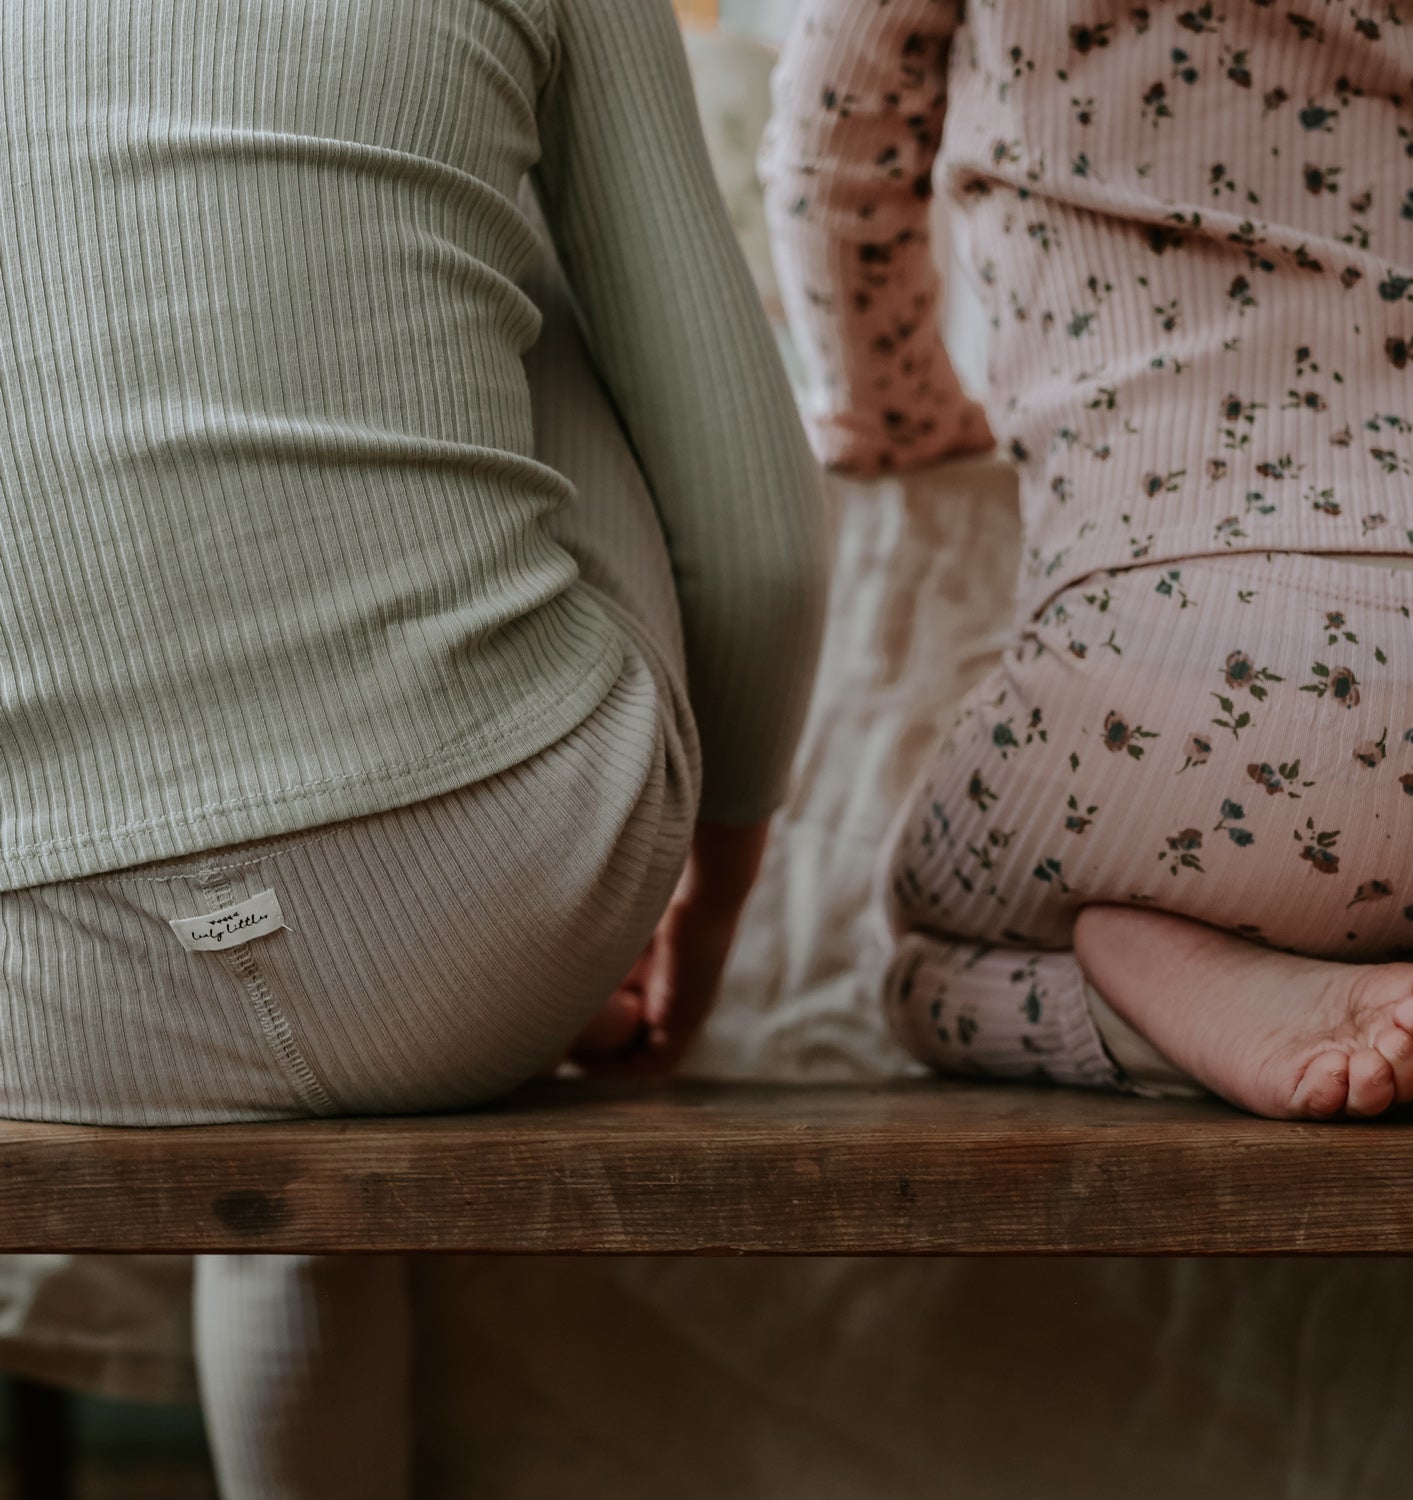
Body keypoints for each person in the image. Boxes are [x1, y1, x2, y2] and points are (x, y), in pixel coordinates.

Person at [0, 0, 827, 1492]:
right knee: (545, 266)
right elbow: (760, 547)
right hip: (498, 891)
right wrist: (703, 916)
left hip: (43, 989)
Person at [762, 0, 1413, 1119]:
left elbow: (835, 148)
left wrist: (895, 413)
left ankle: (1148, 992)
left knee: (919, 959)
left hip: (1175, 676)